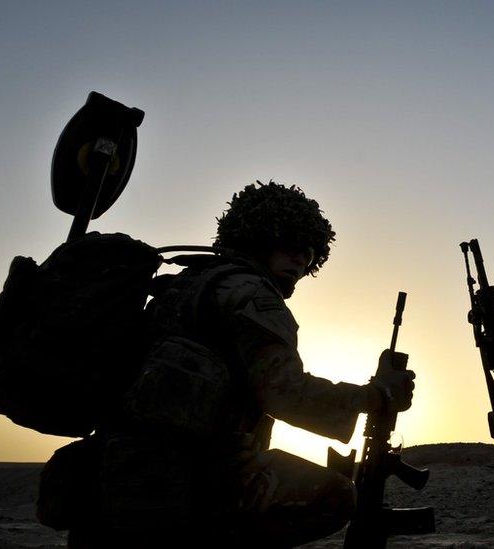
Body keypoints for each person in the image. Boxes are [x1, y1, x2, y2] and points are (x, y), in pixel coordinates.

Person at [68, 181, 415, 548]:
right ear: (259, 236)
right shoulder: (252, 294)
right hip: (191, 478)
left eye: (310, 253)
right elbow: (285, 393)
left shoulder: (182, 285)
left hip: (115, 471)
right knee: (337, 495)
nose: (301, 258)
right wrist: (376, 396)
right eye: (291, 242)